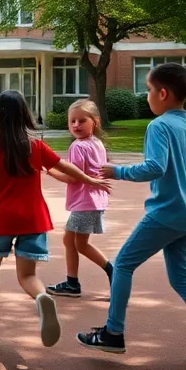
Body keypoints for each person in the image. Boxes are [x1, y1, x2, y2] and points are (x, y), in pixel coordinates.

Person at [77, 63, 186, 367]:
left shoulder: (159, 126)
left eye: (149, 90)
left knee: (123, 264)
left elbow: (155, 167)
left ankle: (113, 333)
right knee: (182, 278)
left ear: (162, 93)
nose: (147, 95)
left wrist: (118, 171)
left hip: (165, 213)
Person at [0, 90, 110, 351]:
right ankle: (41, 296)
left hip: (1, 219)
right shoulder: (36, 145)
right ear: (25, 115)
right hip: (33, 218)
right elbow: (64, 166)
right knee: (27, 275)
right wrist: (91, 180)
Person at [47, 99, 114, 298]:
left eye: (81, 120)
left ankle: (113, 271)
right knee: (70, 240)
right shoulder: (97, 143)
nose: (76, 125)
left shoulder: (78, 146)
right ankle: (72, 282)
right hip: (93, 201)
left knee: (80, 244)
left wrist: (50, 171)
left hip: (85, 203)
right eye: (72, 121)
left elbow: (72, 177)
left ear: (95, 122)